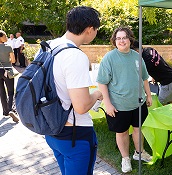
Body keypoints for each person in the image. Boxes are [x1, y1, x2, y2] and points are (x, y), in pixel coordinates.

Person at [43, 6, 103, 175]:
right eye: (96, 29)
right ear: (90, 29)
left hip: (51, 129)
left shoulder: (50, 46)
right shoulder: (74, 56)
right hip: (74, 134)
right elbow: (81, 106)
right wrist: (98, 94)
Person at [97, 26, 153, 173]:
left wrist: (148, 95)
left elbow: (145, 78)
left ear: (130, 39)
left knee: (138, 129)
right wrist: (107, 104)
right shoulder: (109, 58)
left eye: (124, 37)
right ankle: (125, 158)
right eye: (118, 38)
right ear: (114, 41)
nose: (122, 41)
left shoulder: (137, 57)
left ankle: (139, 153)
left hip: (138, 102)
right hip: (118, 105)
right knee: (121, 132)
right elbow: (102, 82)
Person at [132, 41, 172, 105]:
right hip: (170, 75)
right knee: (170, 101)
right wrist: (154, 76)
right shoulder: (149, 49)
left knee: (161, 103)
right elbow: (157, 62)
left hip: (168, 81)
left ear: (137, 51)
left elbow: (142, 78)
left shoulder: (145, 61)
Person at [0, 30, 19, 123]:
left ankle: (5, 111)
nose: (6, 38)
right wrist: (7, 61)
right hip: (7, 70)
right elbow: (13, 60)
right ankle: (11, 109)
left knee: (1, 92)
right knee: (11, 91)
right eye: (5, 36)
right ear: (0, 37)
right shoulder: (8, 47)